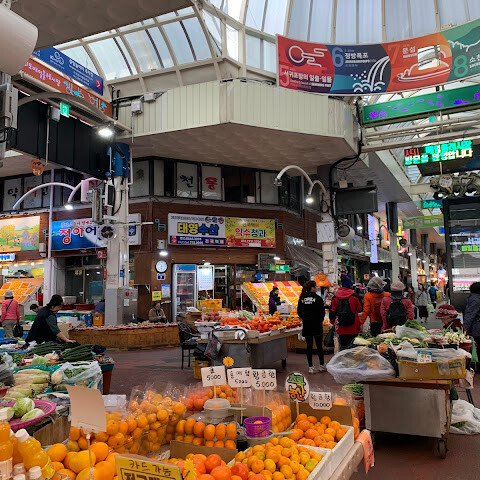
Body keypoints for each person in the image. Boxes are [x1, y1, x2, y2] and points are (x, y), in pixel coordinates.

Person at [297, 280, 326, 374]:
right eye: (315, 286)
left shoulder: (302, 298)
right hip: (317, 325)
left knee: (308, 347)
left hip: (307, 325)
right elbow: (322, 312)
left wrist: (305, 319)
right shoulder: (318, 298)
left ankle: (311, 367)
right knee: (319, 346)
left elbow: (299, 312)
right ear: (312, 288)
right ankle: (322, 365)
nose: (316, 288)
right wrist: (319, 320)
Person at [330, 274, 362, 348]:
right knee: (354, 348)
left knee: (343, 347)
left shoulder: (335, 297)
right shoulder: (354, 296)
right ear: (350, 286)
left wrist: (332, 322)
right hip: (354, 326)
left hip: (341, 327)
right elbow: (360, 309)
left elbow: (333, 311)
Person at [464, 282, 480, 362]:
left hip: (476, 329)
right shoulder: (476, 298)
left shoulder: (474, 299)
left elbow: (469, 315)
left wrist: (464, 329)